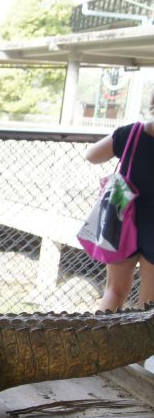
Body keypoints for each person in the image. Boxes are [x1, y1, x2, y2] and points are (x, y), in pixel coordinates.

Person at [85, 91, 154, 311]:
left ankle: (99, 341)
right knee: (149, 304)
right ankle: (143, 346)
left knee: (114, 290)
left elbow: (92, 156)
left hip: (120, 219)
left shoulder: (131, 133)